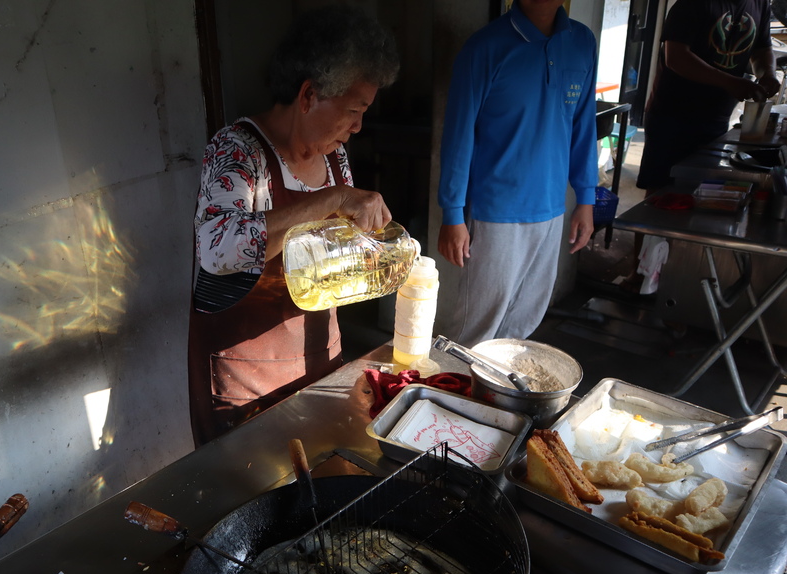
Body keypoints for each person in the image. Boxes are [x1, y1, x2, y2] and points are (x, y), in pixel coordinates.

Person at [188, 5, 400, 446]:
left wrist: (379, 253)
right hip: (246, 380)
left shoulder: (334, 156)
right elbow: (218, 250)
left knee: (322, 480)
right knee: (253, 495)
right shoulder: (237, 151)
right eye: (354, 109)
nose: (359, 126)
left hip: (321, 359)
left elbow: (335, 252)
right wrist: (333, 200)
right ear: (308, 96)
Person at [436, 0, 597, 347]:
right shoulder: (485, 48)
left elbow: (583, 125)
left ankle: (491, 398)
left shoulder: (582, 43)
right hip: (495, 212)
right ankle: (446, 393)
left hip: (551, 209)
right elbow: (459, 134)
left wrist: (586, 197)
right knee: (474, 329)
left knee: (522, 323)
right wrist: (452, 214)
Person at [637, 0, 780, 192]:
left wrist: (768, 73)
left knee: (701, 190)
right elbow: (676, 57)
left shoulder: (759, 4)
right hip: (673, 119)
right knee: (663, 194)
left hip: (717, 119)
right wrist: (730, 82)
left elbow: (762, 50)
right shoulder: (692, 4)